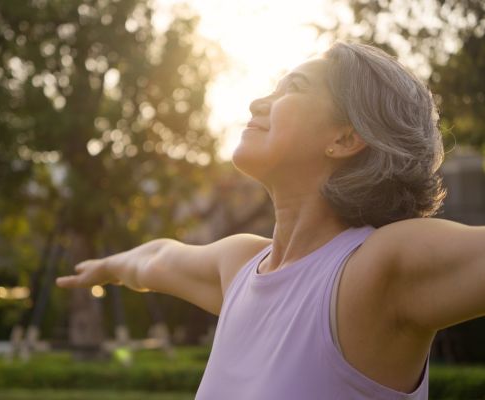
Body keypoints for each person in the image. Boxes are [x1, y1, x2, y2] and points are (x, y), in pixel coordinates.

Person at [56, 42, 481, 399]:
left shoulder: (376, 269)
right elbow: (157, 258)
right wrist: (107, 267)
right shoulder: (239, 265)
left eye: (292, 88)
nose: (257, 102)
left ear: (345, 138)